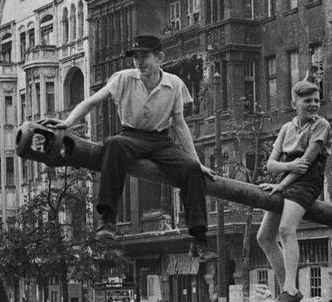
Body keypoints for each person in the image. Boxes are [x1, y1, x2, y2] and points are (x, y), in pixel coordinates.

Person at [55, 35, 217, 261]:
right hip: (131, 136)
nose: (139, 63)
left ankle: (199, 240)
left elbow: (180, 125)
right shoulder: (123, 79)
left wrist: (197, 162)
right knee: (114, 144)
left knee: (191, 169)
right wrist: (67, 123)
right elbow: (92, 101)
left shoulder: (174, 84)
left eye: (145, 57)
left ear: (160, 57)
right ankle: (107, 220)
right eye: (136, 58)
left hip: (161, 141)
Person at [257, 81, 331, 302]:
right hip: (287, 180)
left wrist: (282, 183)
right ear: (294, 104)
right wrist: (286, 170)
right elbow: (271, 164)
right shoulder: (287, 128)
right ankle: (287, 293)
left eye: (316, 100)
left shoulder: (321, 125)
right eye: (307, 101)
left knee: (287, 229)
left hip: (307, 182)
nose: (313, 105)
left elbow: (307, 163)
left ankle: (290, 289)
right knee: (264, 237)